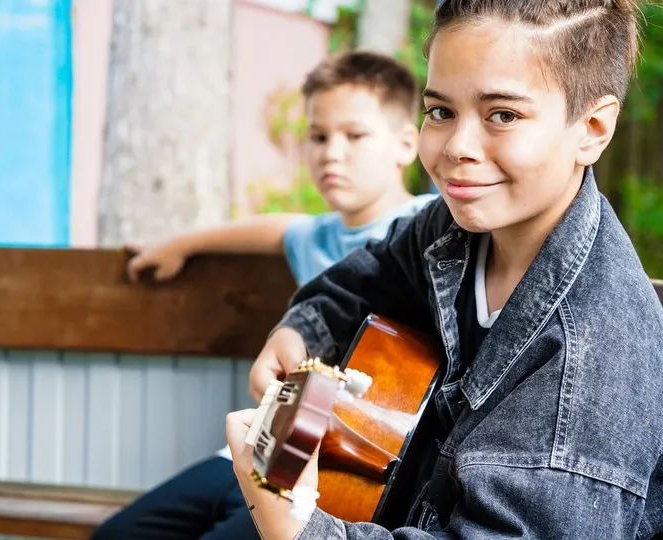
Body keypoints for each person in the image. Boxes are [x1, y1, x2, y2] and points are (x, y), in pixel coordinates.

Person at [225, 1, 663, 538]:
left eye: (503, 115)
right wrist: (303, 328)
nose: (456, 147)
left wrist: (296, 527)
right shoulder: (454, 228)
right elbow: (369, 275)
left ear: (592, 127)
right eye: (441, 112)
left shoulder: (592, 361)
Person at [90, 50, 438, 540]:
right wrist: (180, 244)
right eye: (318, 136)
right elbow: (276, 229)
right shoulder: (317, 237)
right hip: (264, 440)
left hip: (342, 472)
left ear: (407, 144)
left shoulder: (432, 227)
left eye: (354, 136)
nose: (331, 152)